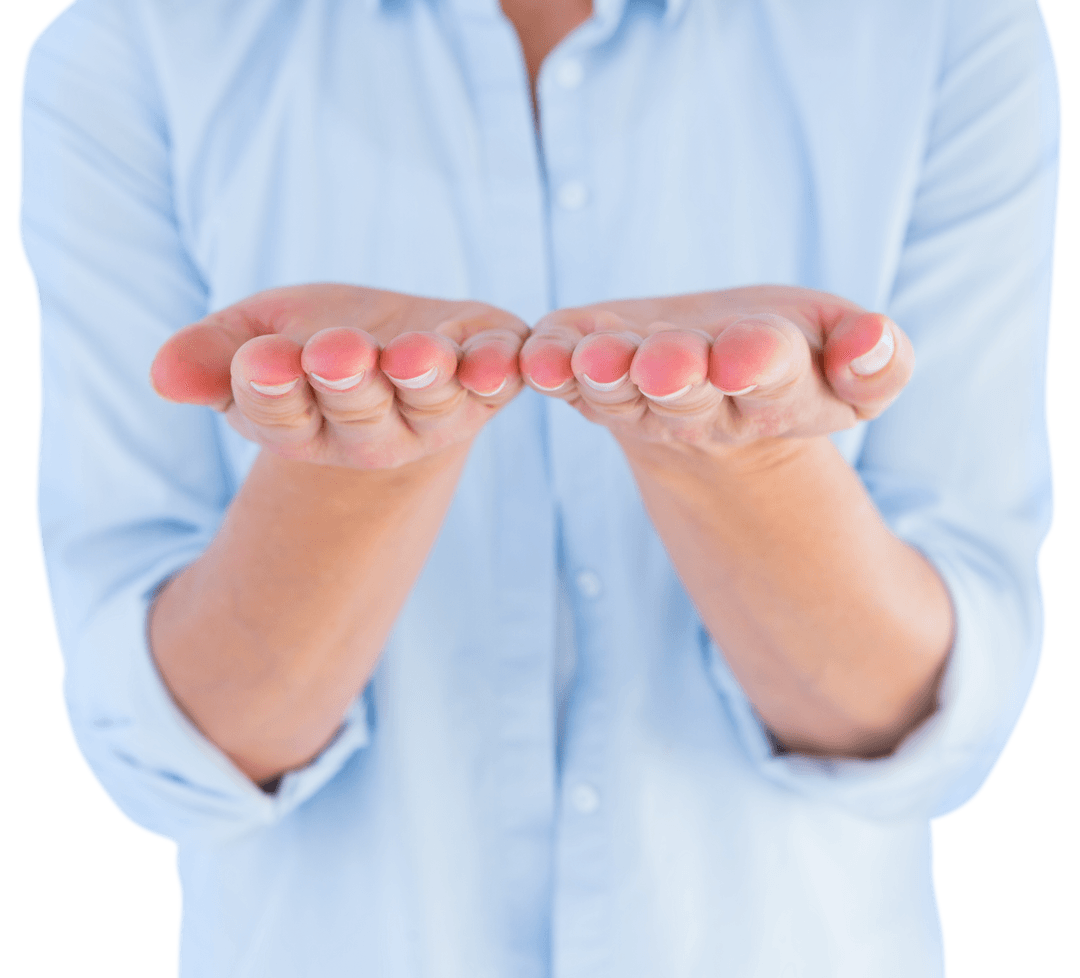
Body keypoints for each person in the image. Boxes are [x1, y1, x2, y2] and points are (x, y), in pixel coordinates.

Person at [19, 0, 1060, 975]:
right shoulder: (133, 45)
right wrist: (356, 466)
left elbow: (934, 732)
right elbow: (167, 758)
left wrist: (740, 459)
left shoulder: (944, 30)